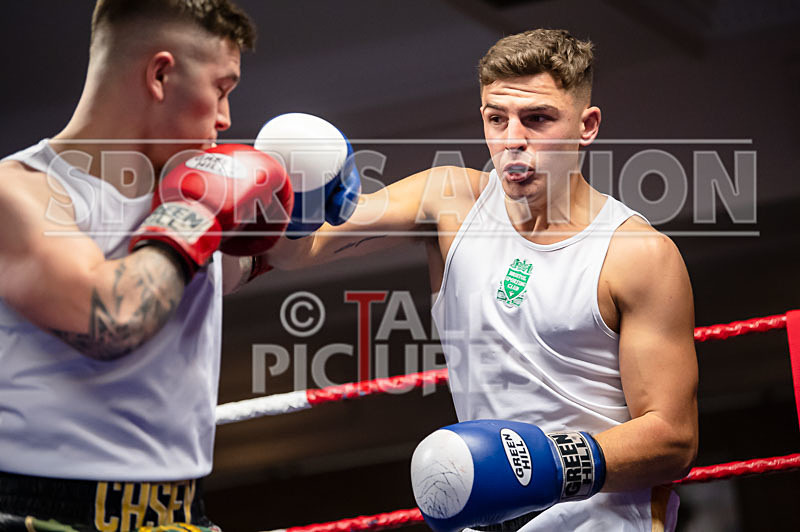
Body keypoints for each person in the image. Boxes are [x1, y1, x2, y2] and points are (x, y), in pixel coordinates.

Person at [266, 29, 698, 531]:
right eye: (497, 118)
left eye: (537, 119)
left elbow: (674, 438)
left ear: (587, 125)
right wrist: (300, 200)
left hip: (603, 519)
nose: (514, 138)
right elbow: (299, 253)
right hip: (489, 512)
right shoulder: (451, 200)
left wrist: (547, 466)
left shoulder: (637, 254)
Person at [0, 1, 303, 530]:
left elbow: (284, 253)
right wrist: (197, 213)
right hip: (46, 513)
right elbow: (111, 319)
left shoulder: (186, 188)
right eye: (222, 88)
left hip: (182, 511)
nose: (227, 118)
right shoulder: (21, 192)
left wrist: (326, 196)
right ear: (161, 74)